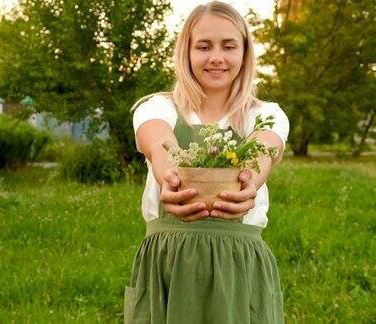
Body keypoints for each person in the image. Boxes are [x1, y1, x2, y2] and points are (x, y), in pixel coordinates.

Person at [126, 1, 289, 323]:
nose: (216, 57)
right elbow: (159, 144)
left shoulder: (266, 114)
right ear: (186, 53)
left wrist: (248, 184)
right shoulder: (157, 107)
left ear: (245, 54)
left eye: (229, 46)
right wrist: (170, 179)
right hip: (169, 264)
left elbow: (262, 150)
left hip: (239, 268)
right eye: (203, 46)